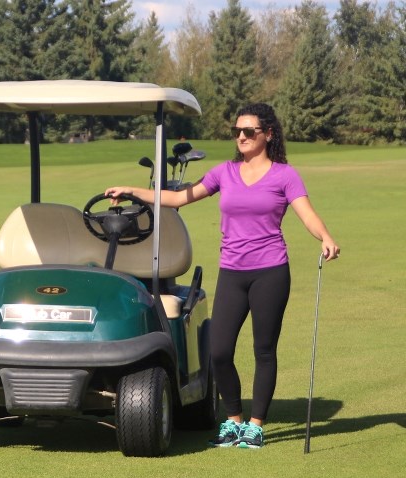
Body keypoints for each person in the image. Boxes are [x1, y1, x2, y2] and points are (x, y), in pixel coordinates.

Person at [106, 103, 339, 449]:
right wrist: (134, 191)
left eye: (249, 131)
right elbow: (177, 197)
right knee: (218, 350)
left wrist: (325, 237)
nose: (241, 137)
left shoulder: (284, 175)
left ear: (268, 134)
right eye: (237, 131)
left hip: (271, 271)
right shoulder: (224, 172)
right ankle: (233, 420)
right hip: (232, 271)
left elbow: (307, 213)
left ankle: (255, 425)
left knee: (264, 349)